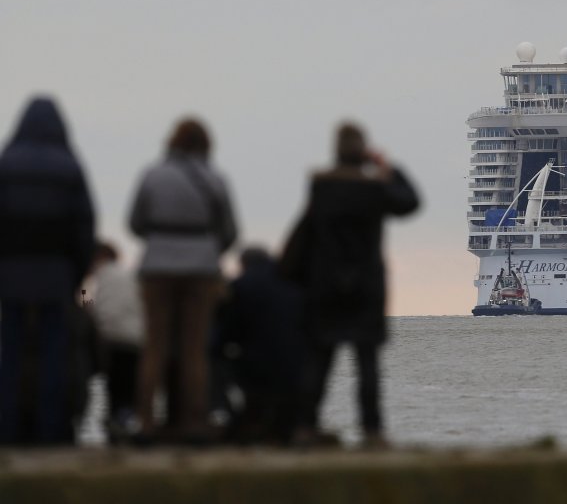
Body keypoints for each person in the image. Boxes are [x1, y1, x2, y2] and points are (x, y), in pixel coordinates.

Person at [280, 122, 418, 448]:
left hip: (325, 284)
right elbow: (410, 202)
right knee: (367, 363)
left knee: (319, 360)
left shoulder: (321, 188)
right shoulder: (374, 190)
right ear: (363, 153)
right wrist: (388, 168)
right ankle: (372, 430)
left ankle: (305, 425)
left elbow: (305, 234)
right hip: (366, 286)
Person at [128, 118, 238, 443]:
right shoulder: (215, 179)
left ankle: (146, 419)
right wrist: (207, 248)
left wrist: (161, 239)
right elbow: (230, 230)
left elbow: (135, 222)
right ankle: (194, 420)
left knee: (155, 346)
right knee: (194, 348)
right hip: (201, 268)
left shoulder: (152, 175)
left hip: (157, 266)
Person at [0, 96, 95, 445]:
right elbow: (83, 226)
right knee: (55, 356)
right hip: (56, 276)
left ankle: (6, 428)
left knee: (8, 355)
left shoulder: (5, 164)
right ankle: (51, 430)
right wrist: (79, 275)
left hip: (9, 275)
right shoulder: (70, 167)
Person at [215, 247, 302, 444]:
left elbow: (227, 333)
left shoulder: (241, 285)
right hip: (296, 365)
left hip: (256, 365)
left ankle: (232, 417)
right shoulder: (294, 284)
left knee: (213, 363)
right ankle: (281, 425)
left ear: (243, 264)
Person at [89, 241, 144, 441]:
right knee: (128, 388)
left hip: (113, 340)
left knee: (115, 386)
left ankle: (116, 423)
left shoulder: (104, 276)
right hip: (138, 339)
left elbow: (99, 311)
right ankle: (125, 420)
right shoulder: (126, 274)